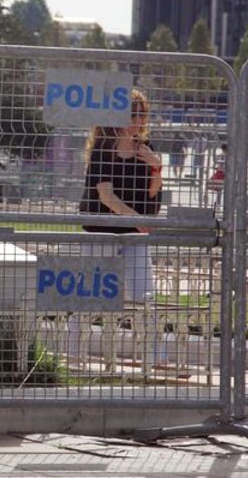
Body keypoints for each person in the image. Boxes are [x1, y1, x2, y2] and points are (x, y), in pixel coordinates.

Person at [76, 89, 162, 362]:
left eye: (141, 115)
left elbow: (152, 196)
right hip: (102, 230)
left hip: (134, 233)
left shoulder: (146, 148)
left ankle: (154, 357)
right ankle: (73, 352)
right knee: (90, 296)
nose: (137, 122)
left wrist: (157, 168)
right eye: (132, 115)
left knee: (144, 296)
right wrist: (134, 219)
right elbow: (106, 196)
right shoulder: (102, 150)